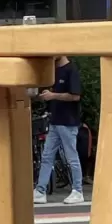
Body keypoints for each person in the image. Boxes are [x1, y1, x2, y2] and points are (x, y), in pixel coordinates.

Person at [34, 55, 84, 205]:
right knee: (47, 155)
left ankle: (78, 190)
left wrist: (52, 95)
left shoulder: (71, 70)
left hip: (68, 121)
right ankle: (40, 190)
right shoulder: (53, 70)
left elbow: (75, 96)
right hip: (55, 120)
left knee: (71, 156)